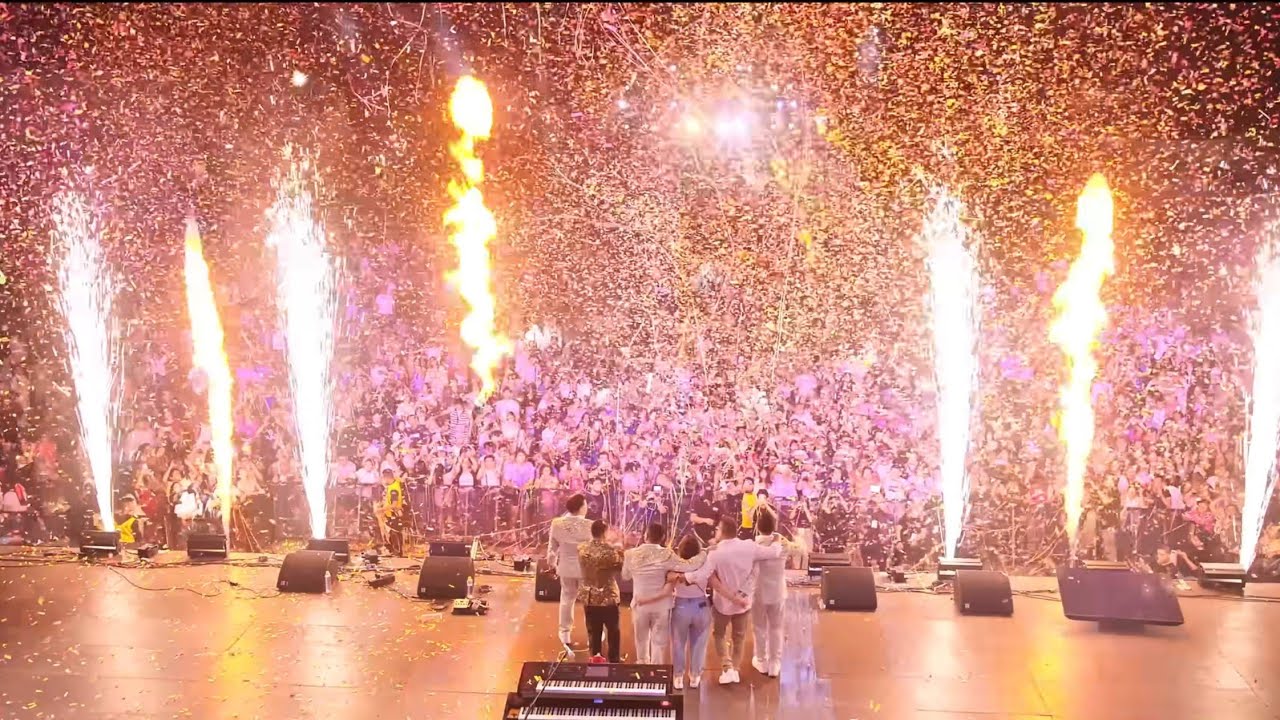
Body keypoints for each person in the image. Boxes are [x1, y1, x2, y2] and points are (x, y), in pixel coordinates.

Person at [675, 517, 784, 685]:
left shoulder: (716, 553)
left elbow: (702, 574)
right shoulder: (749, 546)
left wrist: (684, 577)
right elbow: (775, 552)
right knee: (738, 638)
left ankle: (727, 668)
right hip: (744, 603)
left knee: (719, 635)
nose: (716, 532)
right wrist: (776, 538)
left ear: (722, 530)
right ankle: (736, 670)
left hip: (722, 605)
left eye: (717, 529)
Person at [621, 522, 705, 664]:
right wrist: (703, 553)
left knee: (641, 638)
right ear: (663, 538)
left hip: (640, 604)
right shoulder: (667, 554)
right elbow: (690, 565)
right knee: (659, 642)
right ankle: (655, 672)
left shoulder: (630, 554)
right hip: (661, 606)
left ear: (645, 536)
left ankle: (642, 663)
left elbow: (625, 576)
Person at [547, 493, 593, 646]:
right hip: (585, 569)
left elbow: (552, 548)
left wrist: (551, 565)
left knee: (567, 599)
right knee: (589, 601)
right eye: (585, 504)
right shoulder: (590, 525)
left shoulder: (557, 523)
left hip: (565, 567)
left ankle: (565, 633)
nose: (586, 507)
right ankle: (594, 633)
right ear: (580, 507)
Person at [577, 519, 624, 663]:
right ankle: (614, 660)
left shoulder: (582, 548)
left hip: (589, 596)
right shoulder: (610, 551)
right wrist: (620, 549)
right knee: (613, 630)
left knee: (594, 631)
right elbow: (621, 567)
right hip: (608, 596)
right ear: (604, 532)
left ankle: (595, 657)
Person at [751, 508, 788, 679]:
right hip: (778, 592)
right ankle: (775, 663)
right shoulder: (783, 545)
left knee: (759, 627)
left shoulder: (753, 547)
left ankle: (761, 660)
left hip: (758, 592)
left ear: (757, 527)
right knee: (776, 627)